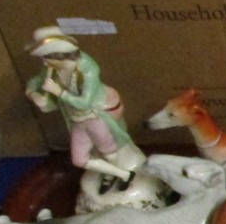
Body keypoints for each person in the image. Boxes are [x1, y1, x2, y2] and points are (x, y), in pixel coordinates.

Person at [24, 25, 143, 184]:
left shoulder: (88, 69)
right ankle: (122, 175)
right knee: (79, 160)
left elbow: (85, 103)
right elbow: (34, 82)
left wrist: (59, 91)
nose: (44, 64)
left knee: (108, 152)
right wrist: (34, 95)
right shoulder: (52, 68)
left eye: (46, 58)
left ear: (59, 56)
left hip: (96, 115)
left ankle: (111, 176)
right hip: (76, 119)